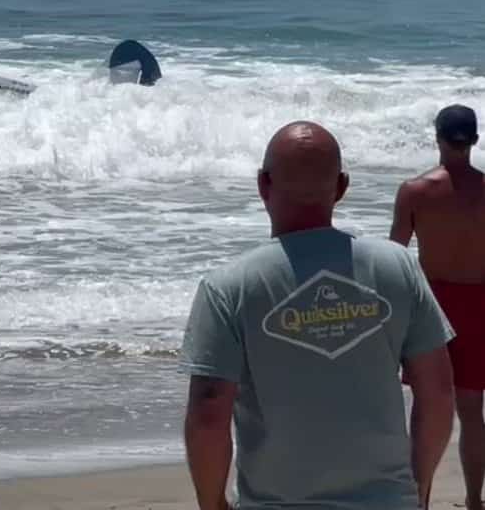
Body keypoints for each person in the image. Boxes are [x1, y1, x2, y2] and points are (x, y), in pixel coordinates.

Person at [181, 121, 454, 510]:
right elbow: (438, 392)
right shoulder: (396, 268)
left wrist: (212, 504)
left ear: (263, 185)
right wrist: (418, 489)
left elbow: (209, 412)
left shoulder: (230, 286)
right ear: (342, 187)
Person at [391, 104, 485, 510]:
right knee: (472, 411)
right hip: (479, 303)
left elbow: (394, 259)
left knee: (428, 410)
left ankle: (421, 501)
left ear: (437, 137)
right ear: (475, 140)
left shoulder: (415, 191)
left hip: (431, 307)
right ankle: (475, 501)